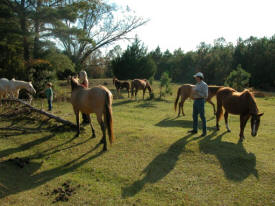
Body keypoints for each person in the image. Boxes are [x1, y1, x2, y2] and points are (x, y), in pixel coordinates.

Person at [188, 72, 208, 137]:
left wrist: (197, 92)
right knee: (194, 116)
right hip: (196, 101)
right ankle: (195, 130)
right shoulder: (197, 84)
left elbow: (205, 95)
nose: (195, 78)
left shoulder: (204, 85)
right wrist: (192, 96)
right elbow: (194, 92)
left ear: (199, 77)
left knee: (202, 117)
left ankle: (204, 132)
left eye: (196, 77)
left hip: (201, 101)